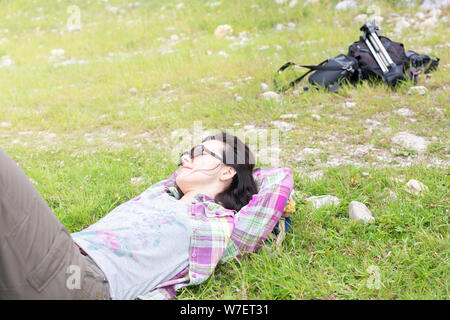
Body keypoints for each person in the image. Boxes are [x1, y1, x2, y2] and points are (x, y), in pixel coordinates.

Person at [0, 132, 293, 300]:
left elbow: (279, 181)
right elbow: (173, 179)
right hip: (51, 260)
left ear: (228, 170)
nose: (185, 158)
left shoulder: (218, 227)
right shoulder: (158, 195)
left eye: (198, 152)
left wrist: (246, 171)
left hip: (78, 279)